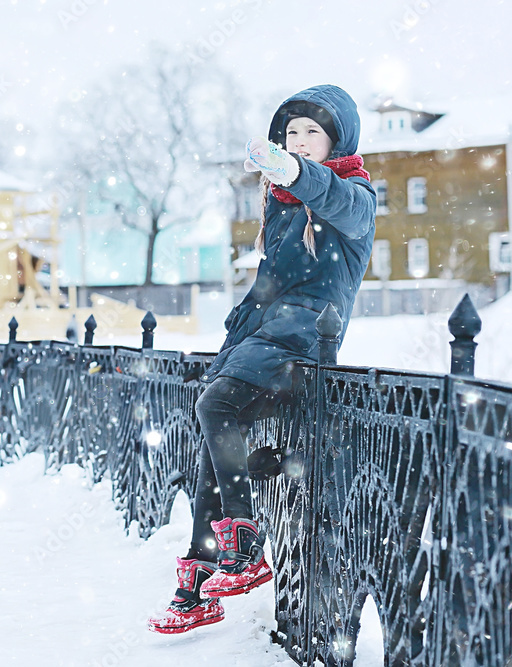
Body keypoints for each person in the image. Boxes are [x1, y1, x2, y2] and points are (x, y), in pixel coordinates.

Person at [148, 84, 376, 634]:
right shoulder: (280, 201)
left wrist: (295, 173)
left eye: (311, 134)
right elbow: (271, 280)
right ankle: (202, 580)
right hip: (266, 332)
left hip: (303, 339)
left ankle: (244, 548)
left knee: (216, 407)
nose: (298, 143)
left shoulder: (354, 195)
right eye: (290, 133)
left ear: (335, 140)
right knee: (214, 437)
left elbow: (335, 200)